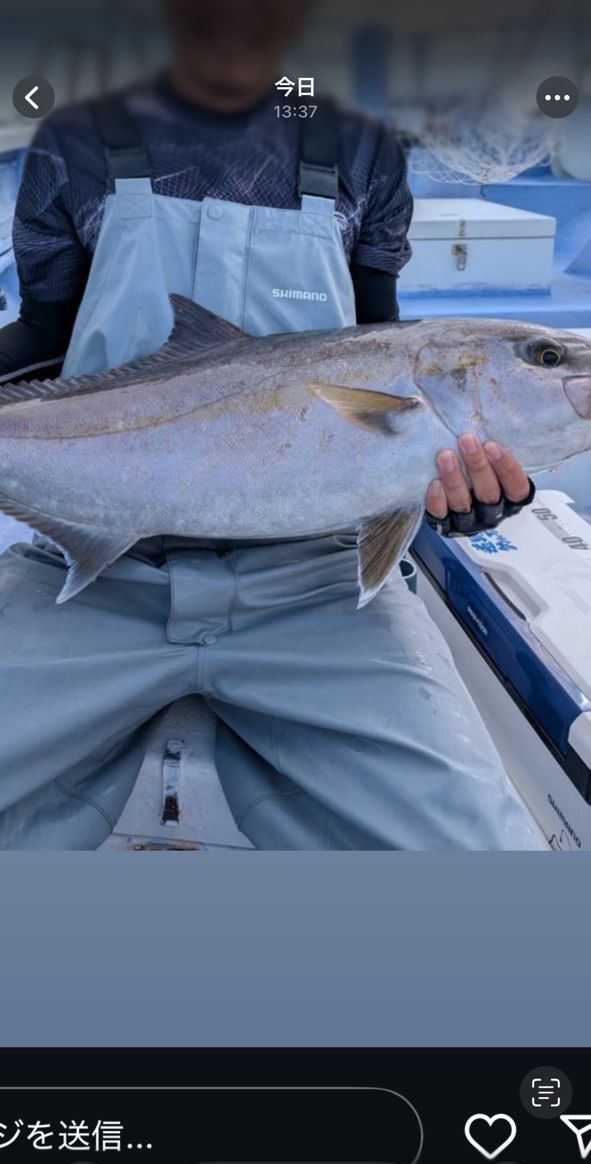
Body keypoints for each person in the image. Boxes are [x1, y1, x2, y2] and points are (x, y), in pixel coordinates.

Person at [0, 0, 541, 849]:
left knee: (476, 848)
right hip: (100, 572)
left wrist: (457, 496)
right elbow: (43, 335)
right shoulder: (79, 133)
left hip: (316, 589)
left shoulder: (359, 143)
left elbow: (375, 340)